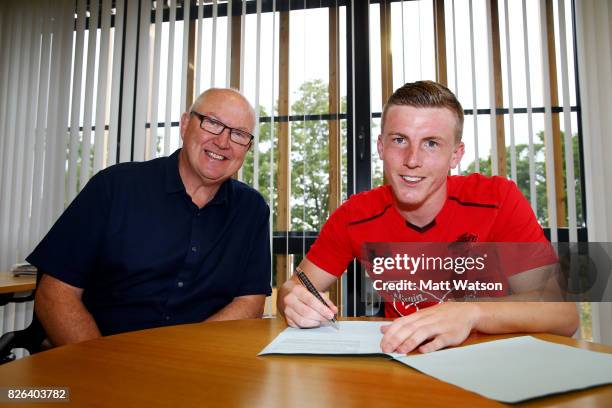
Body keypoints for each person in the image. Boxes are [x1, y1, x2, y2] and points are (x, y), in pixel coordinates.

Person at [278, 81, 578, 354]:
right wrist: (293, 301)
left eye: (431, 143)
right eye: (399, 140)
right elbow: (296, 287)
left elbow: (564, 314)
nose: (412, 160)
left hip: (488, 362)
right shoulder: (353, 216)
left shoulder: (498, 200)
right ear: (381, 146)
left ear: (456, 155)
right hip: (401, 364)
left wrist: (470, 312)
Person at [28, 88, 271, 346]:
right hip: (102, 360)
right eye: (212, 123)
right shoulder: (114, 187)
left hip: (199, 366)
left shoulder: (251, 209)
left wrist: (184, 360)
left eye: (239, 134)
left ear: (248, 147)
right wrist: (101, 370)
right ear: (186, 124)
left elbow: (250, 301)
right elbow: (55, 293)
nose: (223, 142)